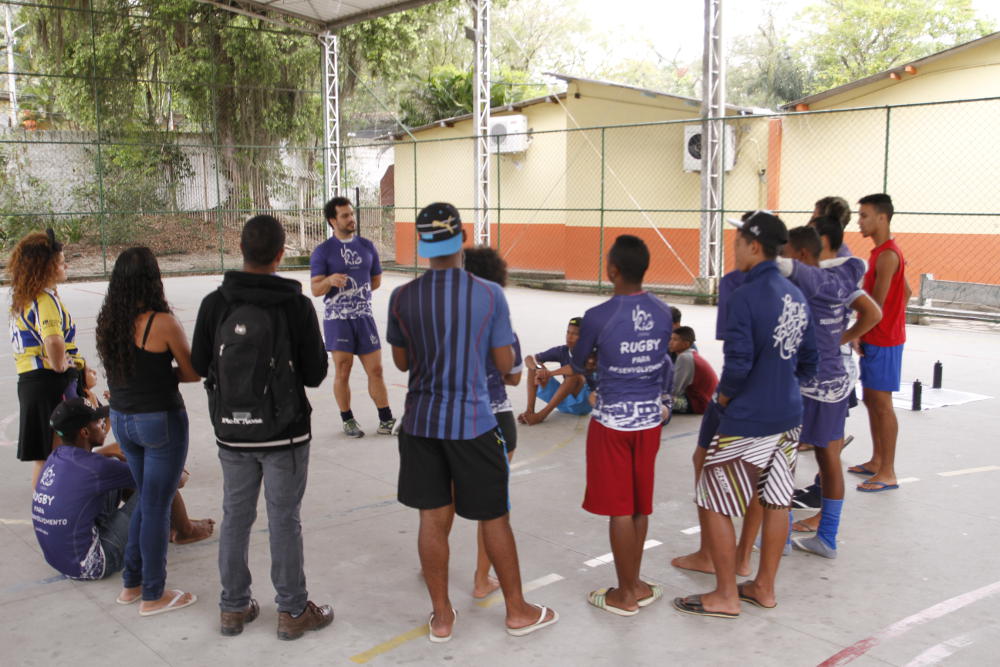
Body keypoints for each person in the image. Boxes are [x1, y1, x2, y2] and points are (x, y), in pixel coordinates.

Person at [388, 202, 558, 641]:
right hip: (474, 424)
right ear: (462, 237)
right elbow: (506, 365)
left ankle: (442, 617)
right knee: (494, 517)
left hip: (422, 424)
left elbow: (402, 362)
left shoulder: (402, 297)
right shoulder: (488, 295)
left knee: (432, 520)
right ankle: (517, 611)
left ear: (423, 243)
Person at [192, 214, 332, 640]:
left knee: (235, 516)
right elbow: (315, 374)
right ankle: (291, 611)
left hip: (232, 431)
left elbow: (199, 364)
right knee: (283, 519)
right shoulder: (295, 305)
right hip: (285, 433)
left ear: (241, 249)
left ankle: (233, 608)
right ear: (280, 253)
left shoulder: (216, 303)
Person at [673, 211, 817, 618]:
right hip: (788, 415)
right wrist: (781, 381)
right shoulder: (795, 294)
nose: (732, 248)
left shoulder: (745, 296)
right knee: (775, 501)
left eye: (737, 241)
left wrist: (725, 399)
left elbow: (737, 364)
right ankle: (763, 587)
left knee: (715, 498)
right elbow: (810, 359)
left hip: (749, 417)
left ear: (755, 246)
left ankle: (724, 594)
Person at [571, 234, 674, 616]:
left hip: (613, 421)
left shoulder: (598, 316)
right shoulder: (664, 312)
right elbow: (660, 360)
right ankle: (634, 582)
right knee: (639, 506)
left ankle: (624, 594)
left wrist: (596, 358)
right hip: (649, 421)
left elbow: (580, 362)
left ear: (612, 270)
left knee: (619, 507)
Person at [95, 247, 200, 616]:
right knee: (156, 506)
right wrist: (161, 375)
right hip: (159, 421)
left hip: (123, 420)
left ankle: (132, 584)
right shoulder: (162, 323)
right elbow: (191, 371)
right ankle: (154, 593)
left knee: (146, 500)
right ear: (153, 279)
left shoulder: (109, 320)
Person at [769, 225, 881, 560]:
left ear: (802, 254)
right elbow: (874, 312)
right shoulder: (844, 278)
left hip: (805, 384)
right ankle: (828, 536)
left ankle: (782, 534)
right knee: (828, 458)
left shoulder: (806, 281)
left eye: (787, 250)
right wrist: (841, 339)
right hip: (834, 382)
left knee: (782, 457)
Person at [79, 362, 214, 545]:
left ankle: (175, 524)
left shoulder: (80, 406)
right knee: (156, 474)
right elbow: (173, 480)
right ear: (84, 432)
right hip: (97, 552)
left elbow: (94, 442)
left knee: (136, 469)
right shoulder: (100, 461)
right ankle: (183, 530)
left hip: (73, 541)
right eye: (88, 371)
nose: (94, 372)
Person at [463, 246, 523, 599]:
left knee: (443, 501)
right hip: (495, 417)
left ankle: (432, 563)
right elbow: (513, 376)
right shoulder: (498, 319)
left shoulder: (445, 320)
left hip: (453, 416)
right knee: (493, 505)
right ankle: (481, 578)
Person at [310, 196, 394, 438]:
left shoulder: (367, 246)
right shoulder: (323, 252)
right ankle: (347, 419)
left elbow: (375, 280)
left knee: (376, 369)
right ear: (332, 220)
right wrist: (329, 281)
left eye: (351, 214)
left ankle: (385, 419)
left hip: (364, 317)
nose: (351, 219)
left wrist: (358, 296)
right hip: (337, 319)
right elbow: (316, 289)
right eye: (345, 215)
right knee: (343, 369)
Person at [8, 229, 85, 488]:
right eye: (62, 262)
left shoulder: (25, 298)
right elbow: (53, 339)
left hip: (31, 382)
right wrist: (62, 364)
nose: (66, 265)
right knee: (57, 454)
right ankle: (54, 509)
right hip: (47, 383)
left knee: (44, 457)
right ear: (46, 267)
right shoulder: (44, 300)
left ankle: (43, 508)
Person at [850, 194, 910, 493]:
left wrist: (859, 331)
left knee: (883, 405)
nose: (859, 220)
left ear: (882, 218)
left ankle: (888, 472)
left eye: (864, 215)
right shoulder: (880, 253)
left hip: (884, 341)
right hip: (881, 336)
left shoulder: (888, 255)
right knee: (872, 400)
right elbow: (907, 291)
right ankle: (877, 460)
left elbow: (877, 303)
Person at [518, 317, 592, 425]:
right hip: (564, 400)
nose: (569, 336)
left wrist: (550, 373)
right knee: (535, 366)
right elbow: (529, 358)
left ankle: (541, 415)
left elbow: (573, 369)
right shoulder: (562, 350)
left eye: (575, 334)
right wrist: (538, 369)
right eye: (568, 332)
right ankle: (529, 411)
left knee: (574, 375)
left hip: (583, 404)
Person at [669, 326, 718, 415]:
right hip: (707, 401)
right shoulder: (691, 354)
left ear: (686, 344)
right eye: (671, 339)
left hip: (699, 404)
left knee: (656, 403)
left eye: (675, 340)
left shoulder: (684, 358)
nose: (670, 342)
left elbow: (675, 390)